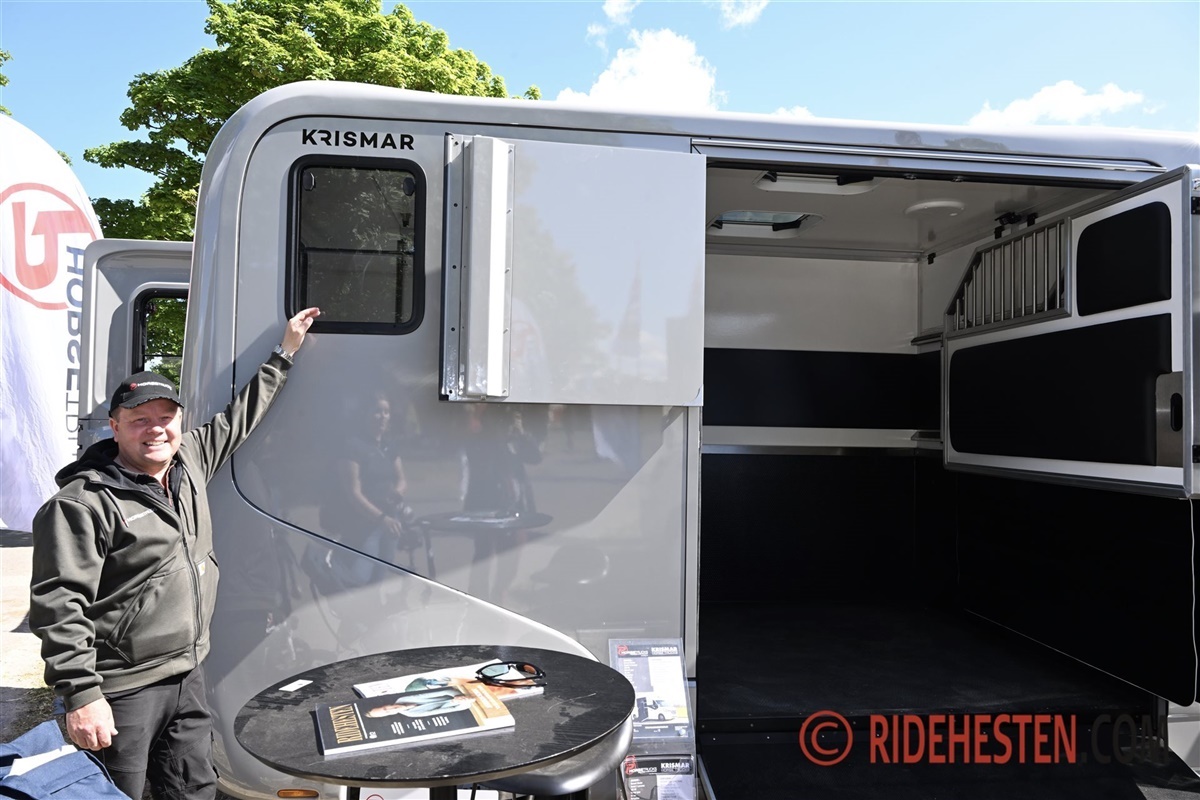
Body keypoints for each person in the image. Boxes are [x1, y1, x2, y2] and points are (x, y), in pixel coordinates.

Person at [28, 307, 320, 800]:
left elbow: (241, 416)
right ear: (114, 427)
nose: (156, 429)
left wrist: (285, 352)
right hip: (122, 689)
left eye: (166, 418)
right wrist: (81, 695)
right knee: (117, 793)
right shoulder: (82, 503)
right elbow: (59, 607)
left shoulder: (191, 461)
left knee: (193, 788)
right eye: (139, 420)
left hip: (187, 674)